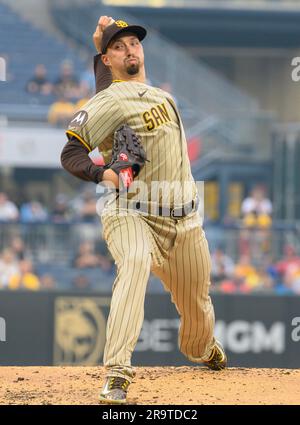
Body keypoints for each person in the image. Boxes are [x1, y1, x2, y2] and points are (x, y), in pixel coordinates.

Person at [61, 16, 227, 405]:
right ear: (107, 59)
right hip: (131, 213)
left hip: (185, 221)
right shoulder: (105, 101)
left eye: (133, 42)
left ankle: (202, 348)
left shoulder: (163, 97)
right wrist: (102, 172)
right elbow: (71, 152)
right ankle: (117, 374)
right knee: (134, 263)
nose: (129, 48)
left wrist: (101, 45)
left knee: (197, 307)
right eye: (118, 46)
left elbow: (116, 92)